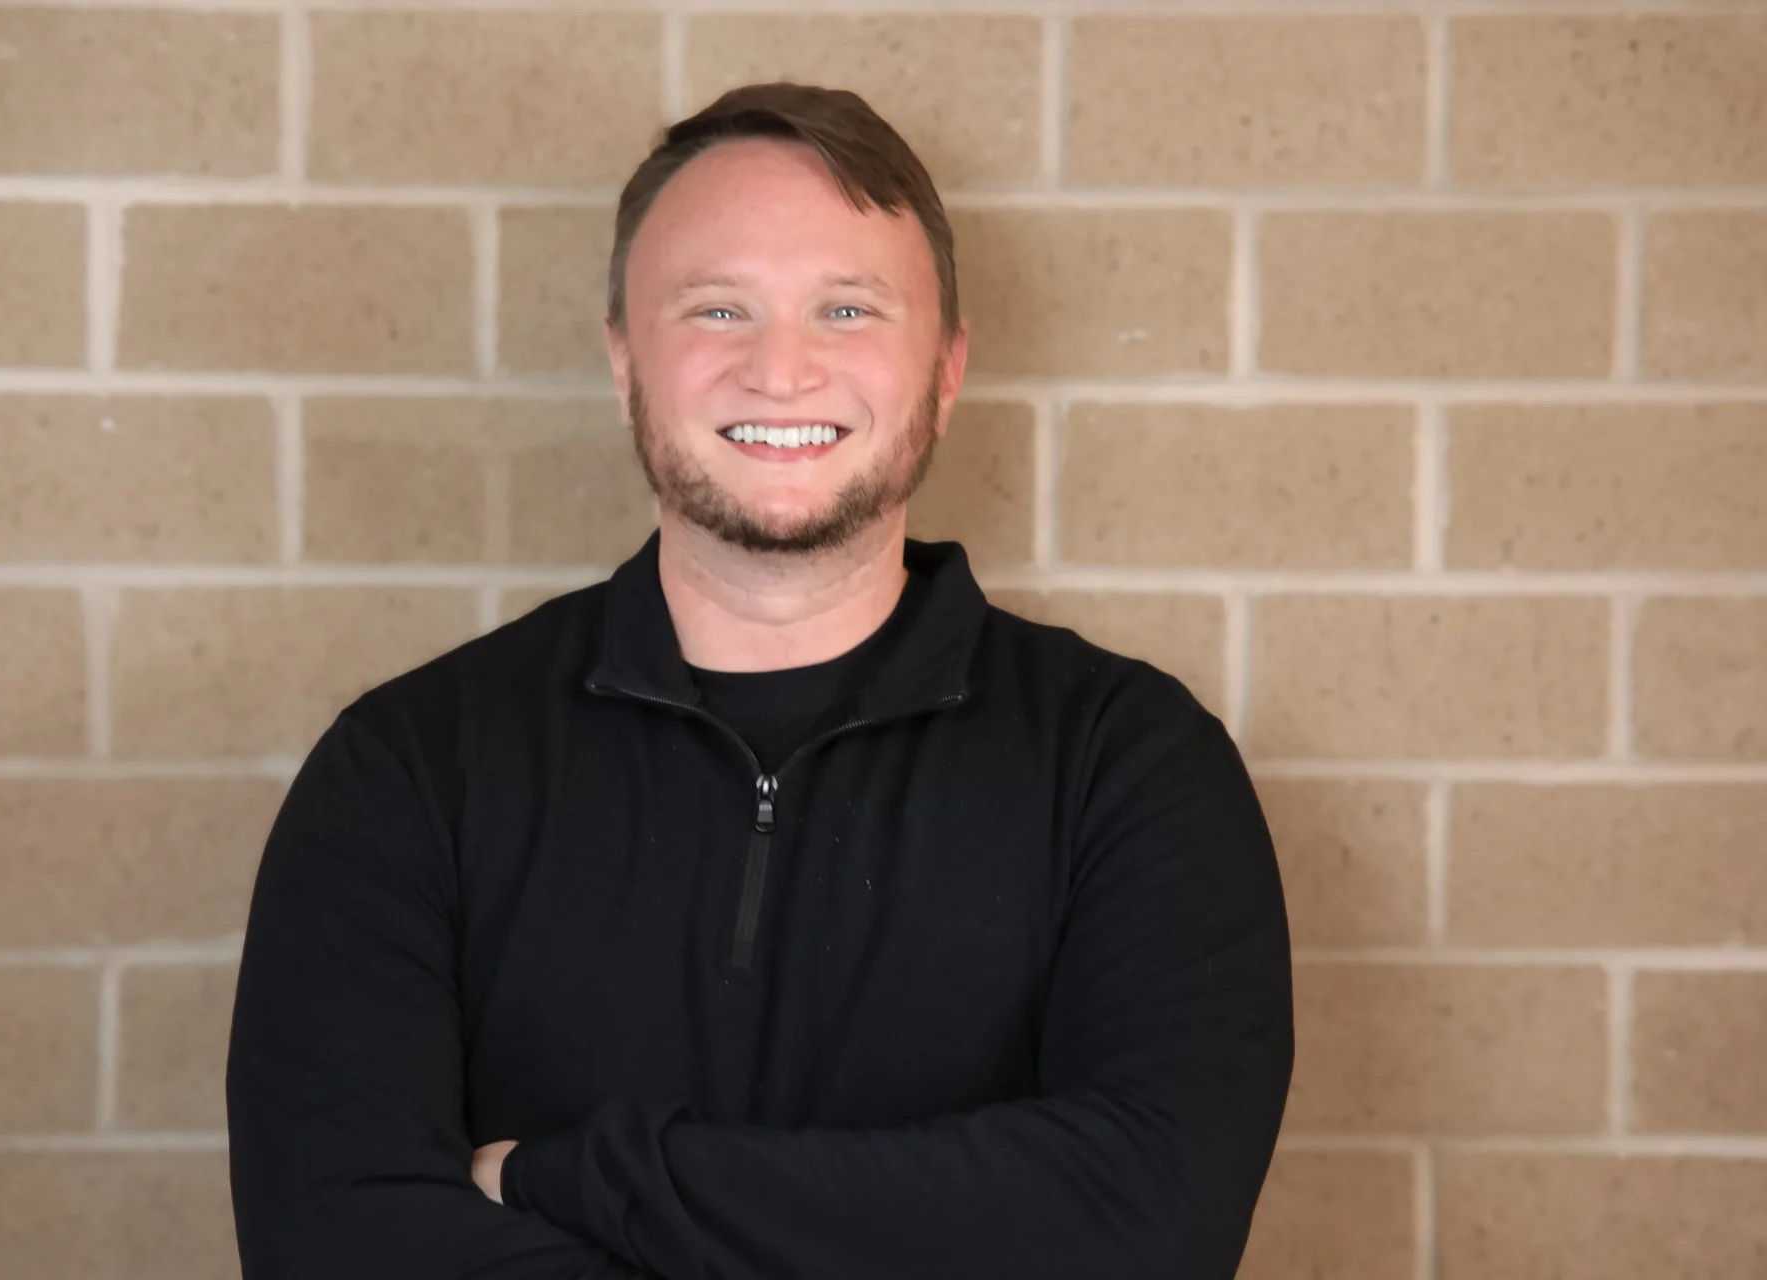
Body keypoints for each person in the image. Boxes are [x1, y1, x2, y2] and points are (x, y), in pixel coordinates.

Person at [226, 82, 1293, 1279]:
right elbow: (337, 1237)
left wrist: (572, 1174)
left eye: (847, 309)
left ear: (946, 371)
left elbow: (1147, 1223)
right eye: (718, 308)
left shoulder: (1127, 766)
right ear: (623, 360)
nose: (781, 371)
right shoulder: (410, 770)